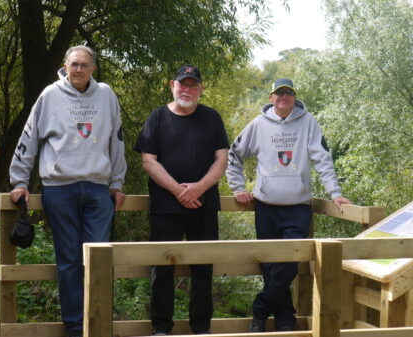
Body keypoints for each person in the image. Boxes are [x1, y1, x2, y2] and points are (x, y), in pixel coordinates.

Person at [8, 45, 126, 337]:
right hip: (59, 189)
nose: (78, 70)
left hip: (98, 190)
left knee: (99, 258)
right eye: (74, 64)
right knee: (69, 261)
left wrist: (117, 183)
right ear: (65, 65)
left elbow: (117, 142)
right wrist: (20, 181)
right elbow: (29, 138)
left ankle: (98, 323)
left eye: (84, 65)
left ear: (93, 69)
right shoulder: (50, 95)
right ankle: (75, 326)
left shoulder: (106, 95)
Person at [226, 78, 352, 332]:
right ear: (271, 98)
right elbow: (234, 155)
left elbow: (323, 160)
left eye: (288, 93)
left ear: (294, 97)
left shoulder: (308, 123)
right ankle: (285, 320)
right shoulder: (259, 125)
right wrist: (238, 188)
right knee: (271, 266)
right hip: (266, 206)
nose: (284, 97)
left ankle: (260, 310)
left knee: (289, 264)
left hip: (297, 206)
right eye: (279, 93)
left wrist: (335, 193)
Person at [134, 65, 229, 335]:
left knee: (203, 270)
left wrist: (198, 188)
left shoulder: (212, 118)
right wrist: (179, 191)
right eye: (182, 84)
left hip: (204, 205)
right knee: (162, 269)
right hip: (165, 207)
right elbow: (148, 161)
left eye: (192, 85)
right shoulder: (157, 117)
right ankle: (161, 328)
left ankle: (201, 328)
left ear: (200, 89)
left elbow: (221, 160)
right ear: (171, 85)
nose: (186, 89)